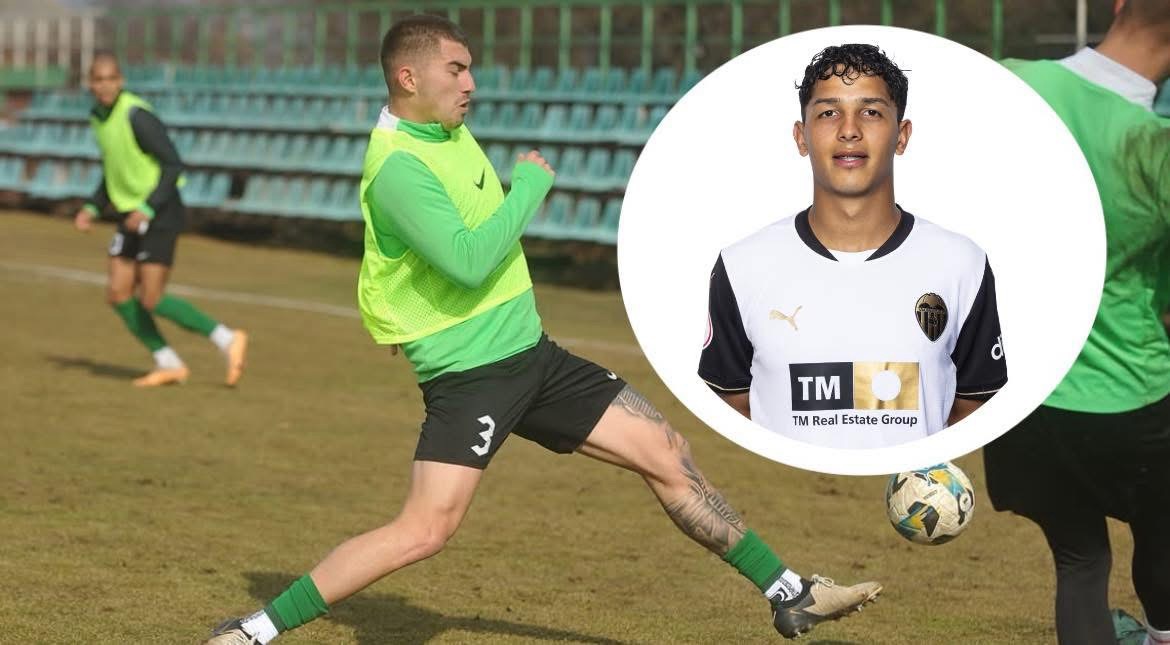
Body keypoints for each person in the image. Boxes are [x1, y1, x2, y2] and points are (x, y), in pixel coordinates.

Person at [204, 15, 880, 644]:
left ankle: (791, 592)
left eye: (470, 69)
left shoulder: (442, 131)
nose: (471, 83)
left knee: (665, 451)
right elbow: (468, 261)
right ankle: (254, 631)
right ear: (409, 78)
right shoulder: (398, 168)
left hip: (535, 357)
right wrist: (528, 186)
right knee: (424, 529)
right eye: (456, 69)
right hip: (472, 376)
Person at [698, 44, 1007, 449]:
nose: (849, 130)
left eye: (871, 112)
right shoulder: (742, 266)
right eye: (829, 113)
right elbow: (732, 403)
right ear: (801, 137)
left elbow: (973, 404)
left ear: (902, 136)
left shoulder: (961, 263)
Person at [982, 1, 1170, 643]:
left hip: (1025, 400)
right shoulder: (1154, 147)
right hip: (1130, 397)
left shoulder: (1011, 85)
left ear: (1117, 3)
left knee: (1081, 561)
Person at [73, 52, 248, 387]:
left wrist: (148, 208)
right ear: (90, 84)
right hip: (130, 215)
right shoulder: (97, 117)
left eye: (111, 79)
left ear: (121, 81)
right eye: (98, 80)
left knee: (152, 298)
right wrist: (92, 207)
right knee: (118, 293)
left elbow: (173, 164)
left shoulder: (136, 115)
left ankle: (227, 338)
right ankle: (169, 363)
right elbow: (115, 169)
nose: (105, 86)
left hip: (160, 211)